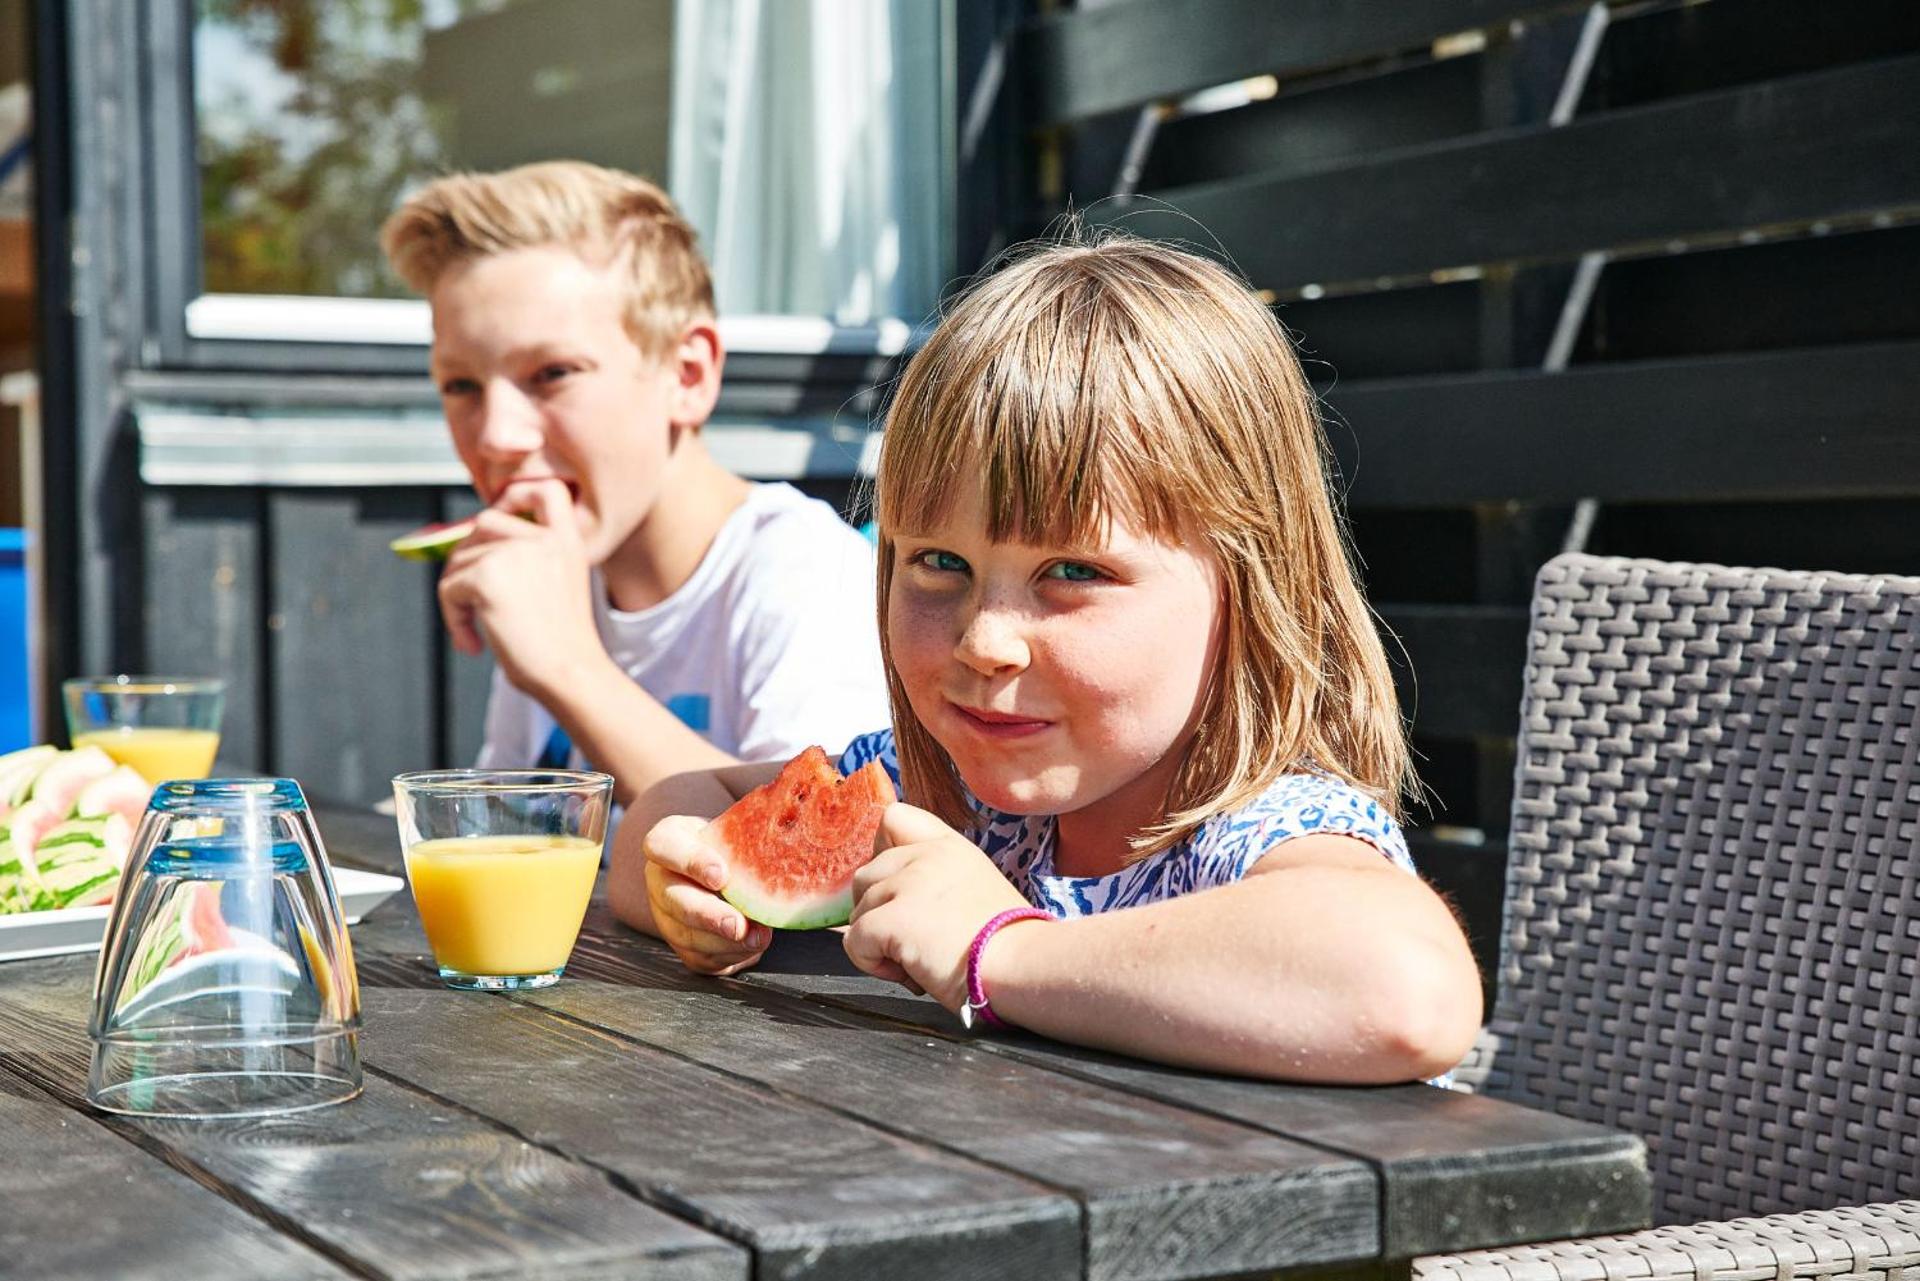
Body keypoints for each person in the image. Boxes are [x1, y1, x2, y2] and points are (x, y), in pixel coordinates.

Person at [607, 234, 1481, 1083]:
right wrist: (702, 888)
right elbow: (677, 808)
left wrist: (1002, 949)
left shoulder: (1256, 830)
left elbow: (1409, 989)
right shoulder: (936, 795)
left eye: (1072, 572)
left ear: (1248, 589)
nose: (984, 640)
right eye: (939, 563)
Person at [380, 162, 889, 807]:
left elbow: (820, 853)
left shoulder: (808, 572)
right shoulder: (560, 572)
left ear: (687, 375)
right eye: (461, 386)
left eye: (552, 373)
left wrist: (568, 667)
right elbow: (502, 833)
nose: (495, 437)